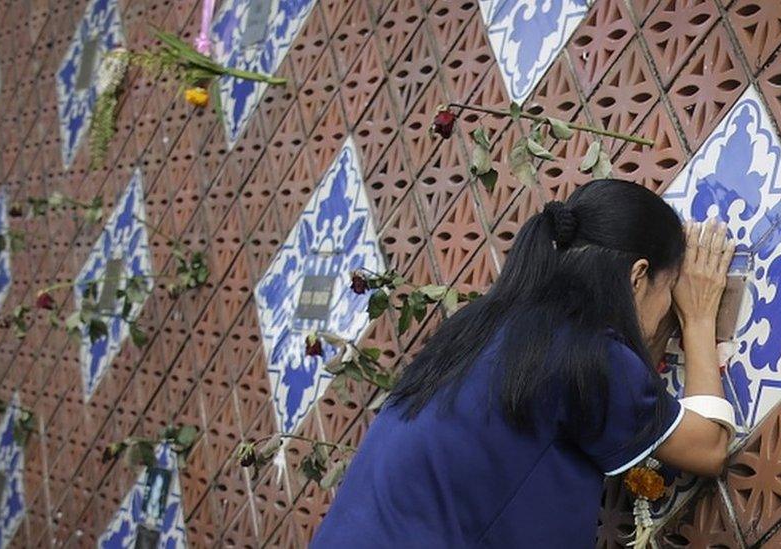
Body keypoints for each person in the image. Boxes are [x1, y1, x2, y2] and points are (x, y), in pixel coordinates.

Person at [312, 179, 736, 548]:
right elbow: (708, 447)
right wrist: (698, 318)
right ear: (636, 276)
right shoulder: (582, 350)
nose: (667, 313)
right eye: (668, 295)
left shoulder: (481, 325)